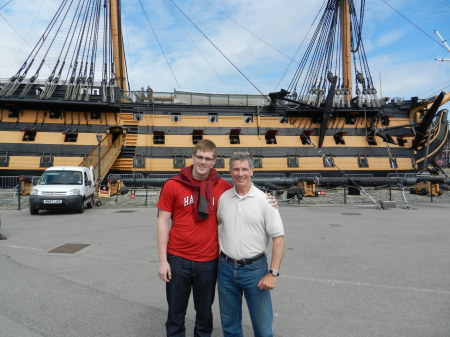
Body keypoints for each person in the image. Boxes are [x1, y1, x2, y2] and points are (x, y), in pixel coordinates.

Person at [157, 140, 277, 337]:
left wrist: (269, 200)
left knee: (204, 314)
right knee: (175, 313)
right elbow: (163, 222)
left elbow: (244, 196)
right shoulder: (173, 185)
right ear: (193, 157)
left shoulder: (221, 187)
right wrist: (163, 261)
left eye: (208, 158)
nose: (203, 162)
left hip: (208, 261)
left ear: (214, 162)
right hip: (177, 258)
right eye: (200, 157)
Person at [217, 152, 285, 337]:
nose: (240, 173)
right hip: (225, 268)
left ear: (252, 171)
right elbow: (210, 225)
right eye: (236, 169)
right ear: (230, 172)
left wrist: (273, 273)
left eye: (244, 169)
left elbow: (278, 238)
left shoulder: (265, 200)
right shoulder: (223, 199)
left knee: (263, 328)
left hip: (255, 270)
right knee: (230, 327)